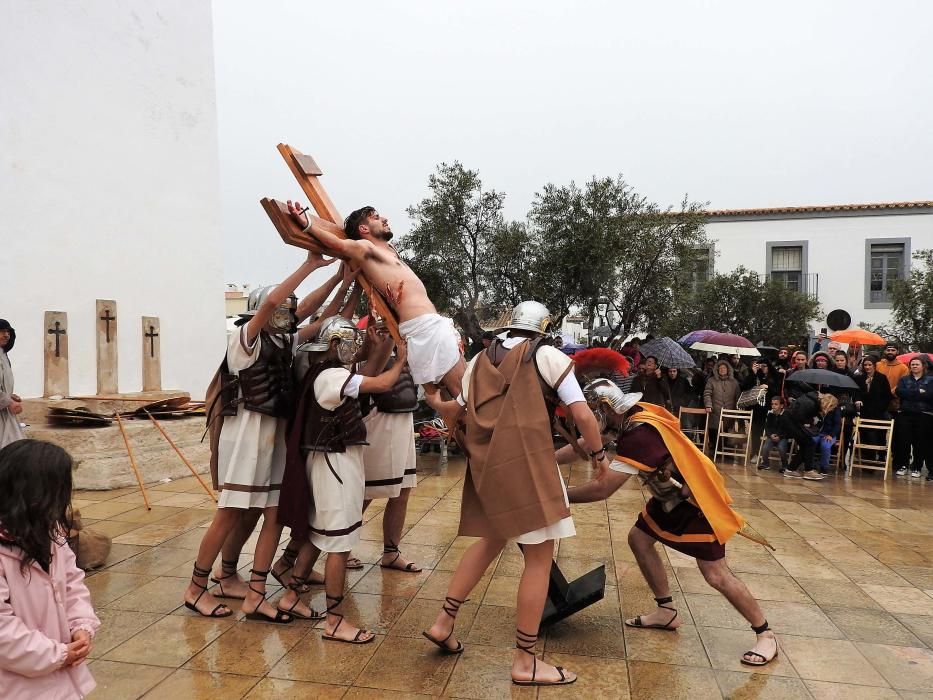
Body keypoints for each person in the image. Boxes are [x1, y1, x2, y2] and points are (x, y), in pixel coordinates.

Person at [422, 301, 608, 686]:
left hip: (489, 470)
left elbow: (453, 411)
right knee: (539, 560)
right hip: (528, 469)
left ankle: (444, 622)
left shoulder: (477, 361)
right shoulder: (547, 355)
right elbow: (583, 414)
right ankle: (525, 661)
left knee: (490, 542)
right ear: (542, 328)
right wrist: (600, 455)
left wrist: (430, 397)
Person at [564, 383, 778, 667]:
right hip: (668, 499)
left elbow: (602, 490)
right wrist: (541, 460)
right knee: (639, 539)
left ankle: (766, 634)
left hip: (694, 504)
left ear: (604, 408)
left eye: (591, 412)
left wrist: (558, 498)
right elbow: (588, 441)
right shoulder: (636, 415)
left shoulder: (639, 435)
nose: (589, 419)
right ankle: (667, 611)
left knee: (716, 574)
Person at [184, 251, 341, 622]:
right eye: (281, 309)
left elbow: (319, 318)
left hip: (274, 438)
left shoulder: (285, 341)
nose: (286, 313)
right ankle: (195, 589)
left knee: (274, 516)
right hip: (245, 438)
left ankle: (256, 593)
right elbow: (272, 301)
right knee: (229, 513)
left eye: (289, 310)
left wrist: (341, 278)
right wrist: (310, 264)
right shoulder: (244, 338)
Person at [278, 317, 409, 644]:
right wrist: (403, 359)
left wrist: (381, 345)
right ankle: (335, 621)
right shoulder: (331, 375)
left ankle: (291, 597)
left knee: (317, 535)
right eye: (349, 343)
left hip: (332, 461)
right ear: (334, 344)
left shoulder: (323, 373)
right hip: (334, 465)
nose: (355, 349)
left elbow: (365, 375)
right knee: (339, 544)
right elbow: (379, 384)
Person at [287, 202, 465, 396]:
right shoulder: (365, 248)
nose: (384, 219)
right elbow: (338, 244)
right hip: (424, 329)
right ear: (363, 229)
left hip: (434, 324)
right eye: (376, 217)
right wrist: (307, 224)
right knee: (463, 394)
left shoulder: (390, 250)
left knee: (466, 390)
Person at [0, 440, 100, 699]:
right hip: (15, 684)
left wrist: (81, 625)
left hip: (58, 674)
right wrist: (56, 655)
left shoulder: (48, 532)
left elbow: (72, 581)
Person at [356, 321, 422, 573]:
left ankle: (391, 552)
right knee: (364, 493)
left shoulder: (406, 347)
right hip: (377, 421)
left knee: (403, 491)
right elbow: (369, 378)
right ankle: (343, 548)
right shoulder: (365, 354)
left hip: (403, 421)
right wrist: (381, 344)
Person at [781, 392, 838, 481]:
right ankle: (808, 471)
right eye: (831, 407)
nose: (831, 410)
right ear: (828, 404)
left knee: (807, 445)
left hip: (791, 421)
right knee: (809, 443)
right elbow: (799, 416)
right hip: (790, 422)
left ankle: (791, 469)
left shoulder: (814, 400)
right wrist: (807, 422)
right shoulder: (811, 404)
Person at [893, 357, 933, 478]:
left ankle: (917, 467)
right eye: (912, 364)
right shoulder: (904, 379)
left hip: (923, 414)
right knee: (903, 441)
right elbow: (899, 392)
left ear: (923, 366)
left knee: (919, 442)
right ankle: (903, 465)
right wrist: (918, 392)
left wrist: (910, 393)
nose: (914, 366)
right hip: (905, 413)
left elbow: (930, 395)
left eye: (917, 364)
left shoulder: (930, 380)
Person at [703, 360, 740, 454]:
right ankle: (714, 450)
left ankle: (725, 452)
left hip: (729, 411)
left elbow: (738, 396)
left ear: (728, 369)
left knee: (727, 431)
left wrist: (737, 410)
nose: (722, 370)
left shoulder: (734, 382)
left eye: (724, 368)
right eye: (720, 368)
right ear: (716, 370)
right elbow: (707, 393)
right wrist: (708, 405)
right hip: (715, 410)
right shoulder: (711, 380)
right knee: (714, 430)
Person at [0, 320, 24, 449]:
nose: (6, 335)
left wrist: (10, 395)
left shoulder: (3, 355)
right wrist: (9, 402)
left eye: (8, 332)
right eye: (2, 331)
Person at [756, 396, 789, 472]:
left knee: (781, 447)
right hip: (772, 436)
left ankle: (784, 465)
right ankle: (765, 464)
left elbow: (787, 430)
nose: (773, 406)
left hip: (782, 437)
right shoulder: (770, 414)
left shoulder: (786, 415)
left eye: (776, 404)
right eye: (772, 404)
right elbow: (767, 427)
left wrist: (780, 436)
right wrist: (770, 435)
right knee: (765, 447)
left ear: (781, 406)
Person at [811, 399, 841, 475]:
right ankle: (811, 465)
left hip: (829, 434)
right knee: (810, 442)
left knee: (825, 446)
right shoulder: (817, 409)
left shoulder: (835, 410)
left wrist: (831, 435)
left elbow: (837, 425)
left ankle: (824, 467)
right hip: (816, 432)